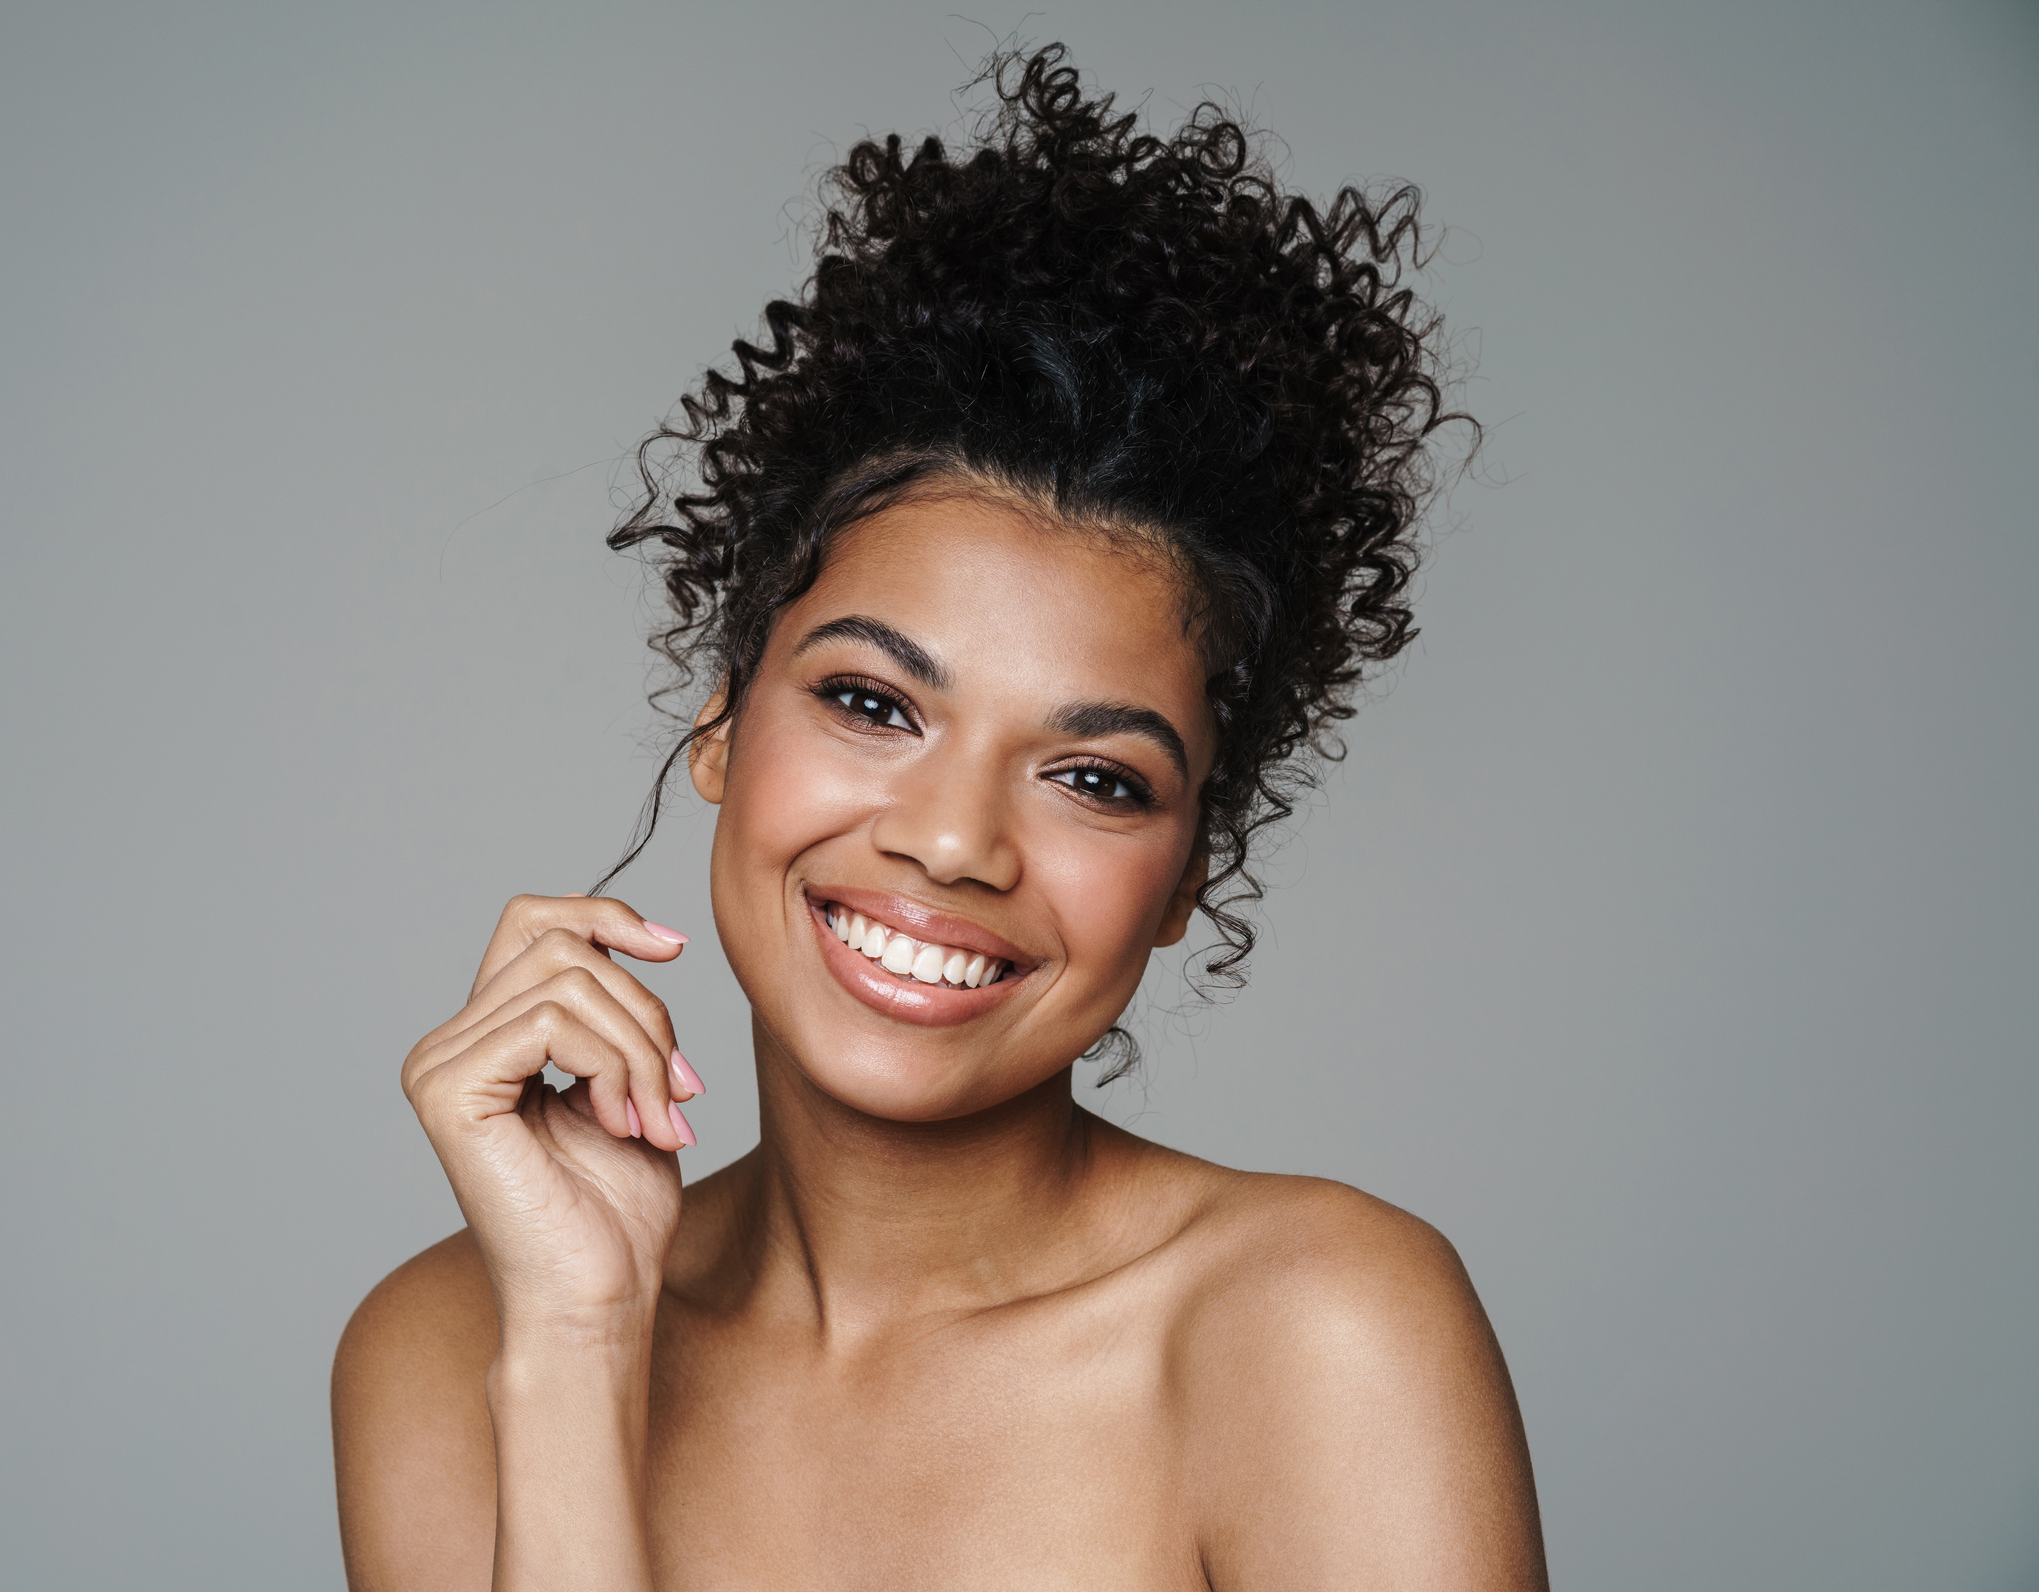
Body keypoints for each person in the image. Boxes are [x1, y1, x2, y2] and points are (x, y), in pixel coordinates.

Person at [333, 46, 1547, 1591]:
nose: (956, 842)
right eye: (872, 703)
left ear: (1190, 871)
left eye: (1094, 778)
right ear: (720, 721)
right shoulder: (450, 1344)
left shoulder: (1314, 1328)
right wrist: (575, 1343)